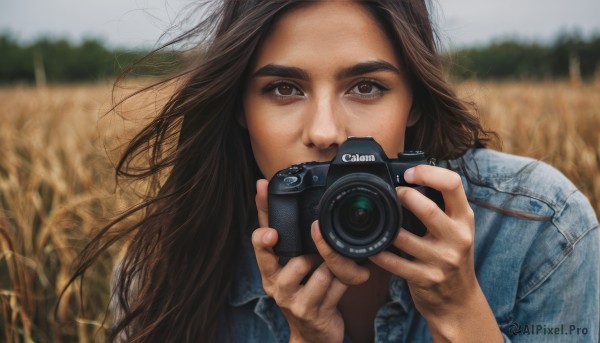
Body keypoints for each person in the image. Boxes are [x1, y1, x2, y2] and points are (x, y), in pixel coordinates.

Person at [69, 0, 599, 342]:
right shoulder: (164, 274)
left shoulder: (539, 231)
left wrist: (461, 315)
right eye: (284, 88)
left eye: (366, 87)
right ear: (239, 109)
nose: (326, 132)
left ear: (414, 101)